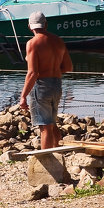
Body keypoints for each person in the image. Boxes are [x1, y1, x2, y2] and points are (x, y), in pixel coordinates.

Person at [19, 11, 72, 150]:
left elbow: (32, 72)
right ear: (46, 24)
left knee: (45, 127)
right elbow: (68, 67)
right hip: (56, 84)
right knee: (52, 122)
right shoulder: (59, 41)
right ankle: (57, 154)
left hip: (41, 86)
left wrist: (23, 96)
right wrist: (52, 72)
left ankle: (47, 161)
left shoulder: (32, 43)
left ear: (30, 26)